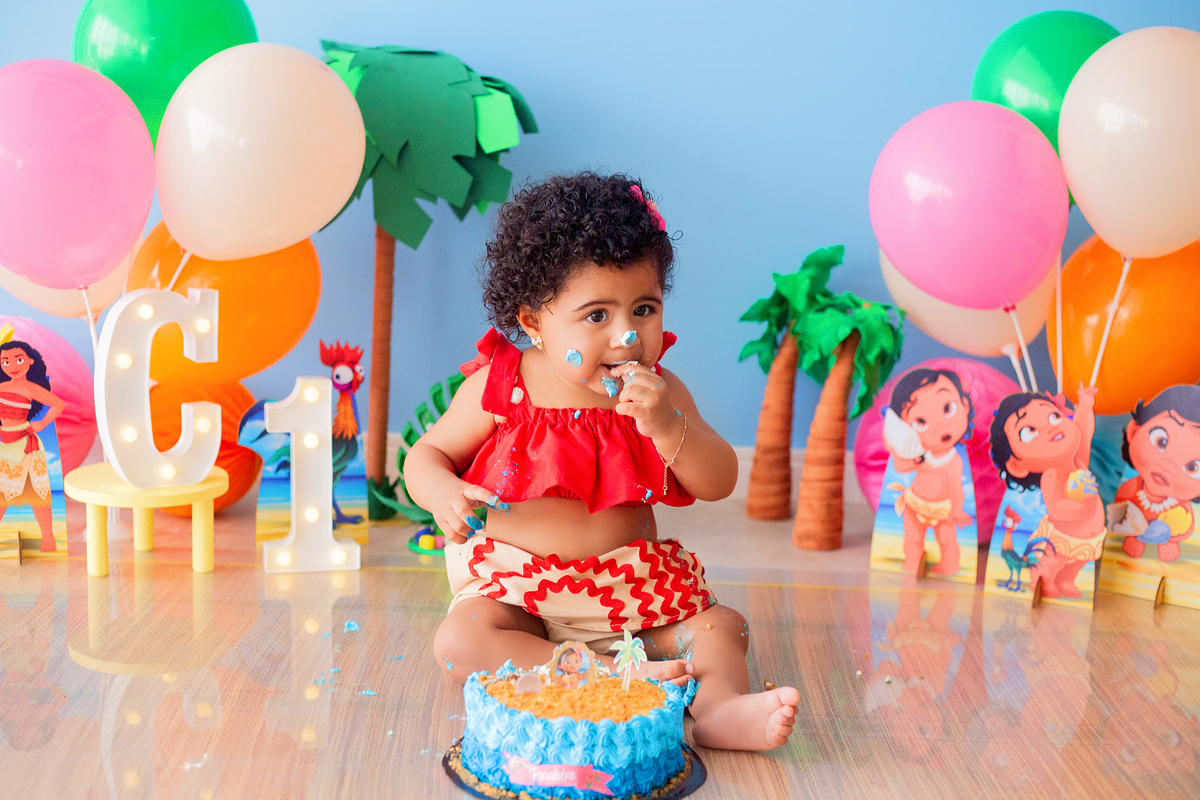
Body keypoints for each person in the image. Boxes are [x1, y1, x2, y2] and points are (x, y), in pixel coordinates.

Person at [407, 172, 799, 751]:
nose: (626, 336)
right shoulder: (504, 387)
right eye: (596, 316)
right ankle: (602, 676)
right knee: (460, 641)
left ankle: (719, 714)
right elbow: (426, 454)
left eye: (644, 309)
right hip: (522, 595)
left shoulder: (662, 393)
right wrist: (443, 491)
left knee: (722, 628)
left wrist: (667, 426)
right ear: (534, 321)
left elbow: (719, 481)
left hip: (627, 596)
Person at [989, 387, 1104, 599]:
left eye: (1054, 416)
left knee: (1077, 563)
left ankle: (1066, 581)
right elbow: (1058, 508)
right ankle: (1042, 580)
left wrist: (1086, 406)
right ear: (1016, 464)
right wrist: (1081, 502)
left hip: (1088, 536)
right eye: (1029, 431)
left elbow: (1084, 434)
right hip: (1060, 538)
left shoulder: (1078, 461)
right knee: (1052, 561)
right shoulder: (1052, 475)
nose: (1050, 427)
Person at [882, 368, 974, 575]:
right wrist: (894, 448)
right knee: (912, 538)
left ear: (965, 406)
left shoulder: (954, 460)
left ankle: (950, 565)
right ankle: (912, 561)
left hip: (942, 509)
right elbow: (902, 467)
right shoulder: (919, 456)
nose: (939, 424)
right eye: (920, 422)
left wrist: (957, 510)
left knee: (947, 540)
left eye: (948, 408)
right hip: (914, 504)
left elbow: (956, 487)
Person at [1111, 384, 1200, 562]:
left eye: (1192, 467)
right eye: (1160, 442)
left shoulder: (1181, 507)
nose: (1167, 466)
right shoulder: (1130, 489)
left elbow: (1186, 527)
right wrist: (1130, 534)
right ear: (1134, 431)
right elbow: (1117, 518)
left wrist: (1171, 539)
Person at [0, 340, 65, 553]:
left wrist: (42, 423)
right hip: (4, 444)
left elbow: (58, 404)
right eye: (5, 361)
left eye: (18, 359)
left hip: (27, 444)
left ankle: (48, 537)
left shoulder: (31, 388)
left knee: (37, 492)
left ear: (29, 361)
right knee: (2, 493)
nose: (13, 365)